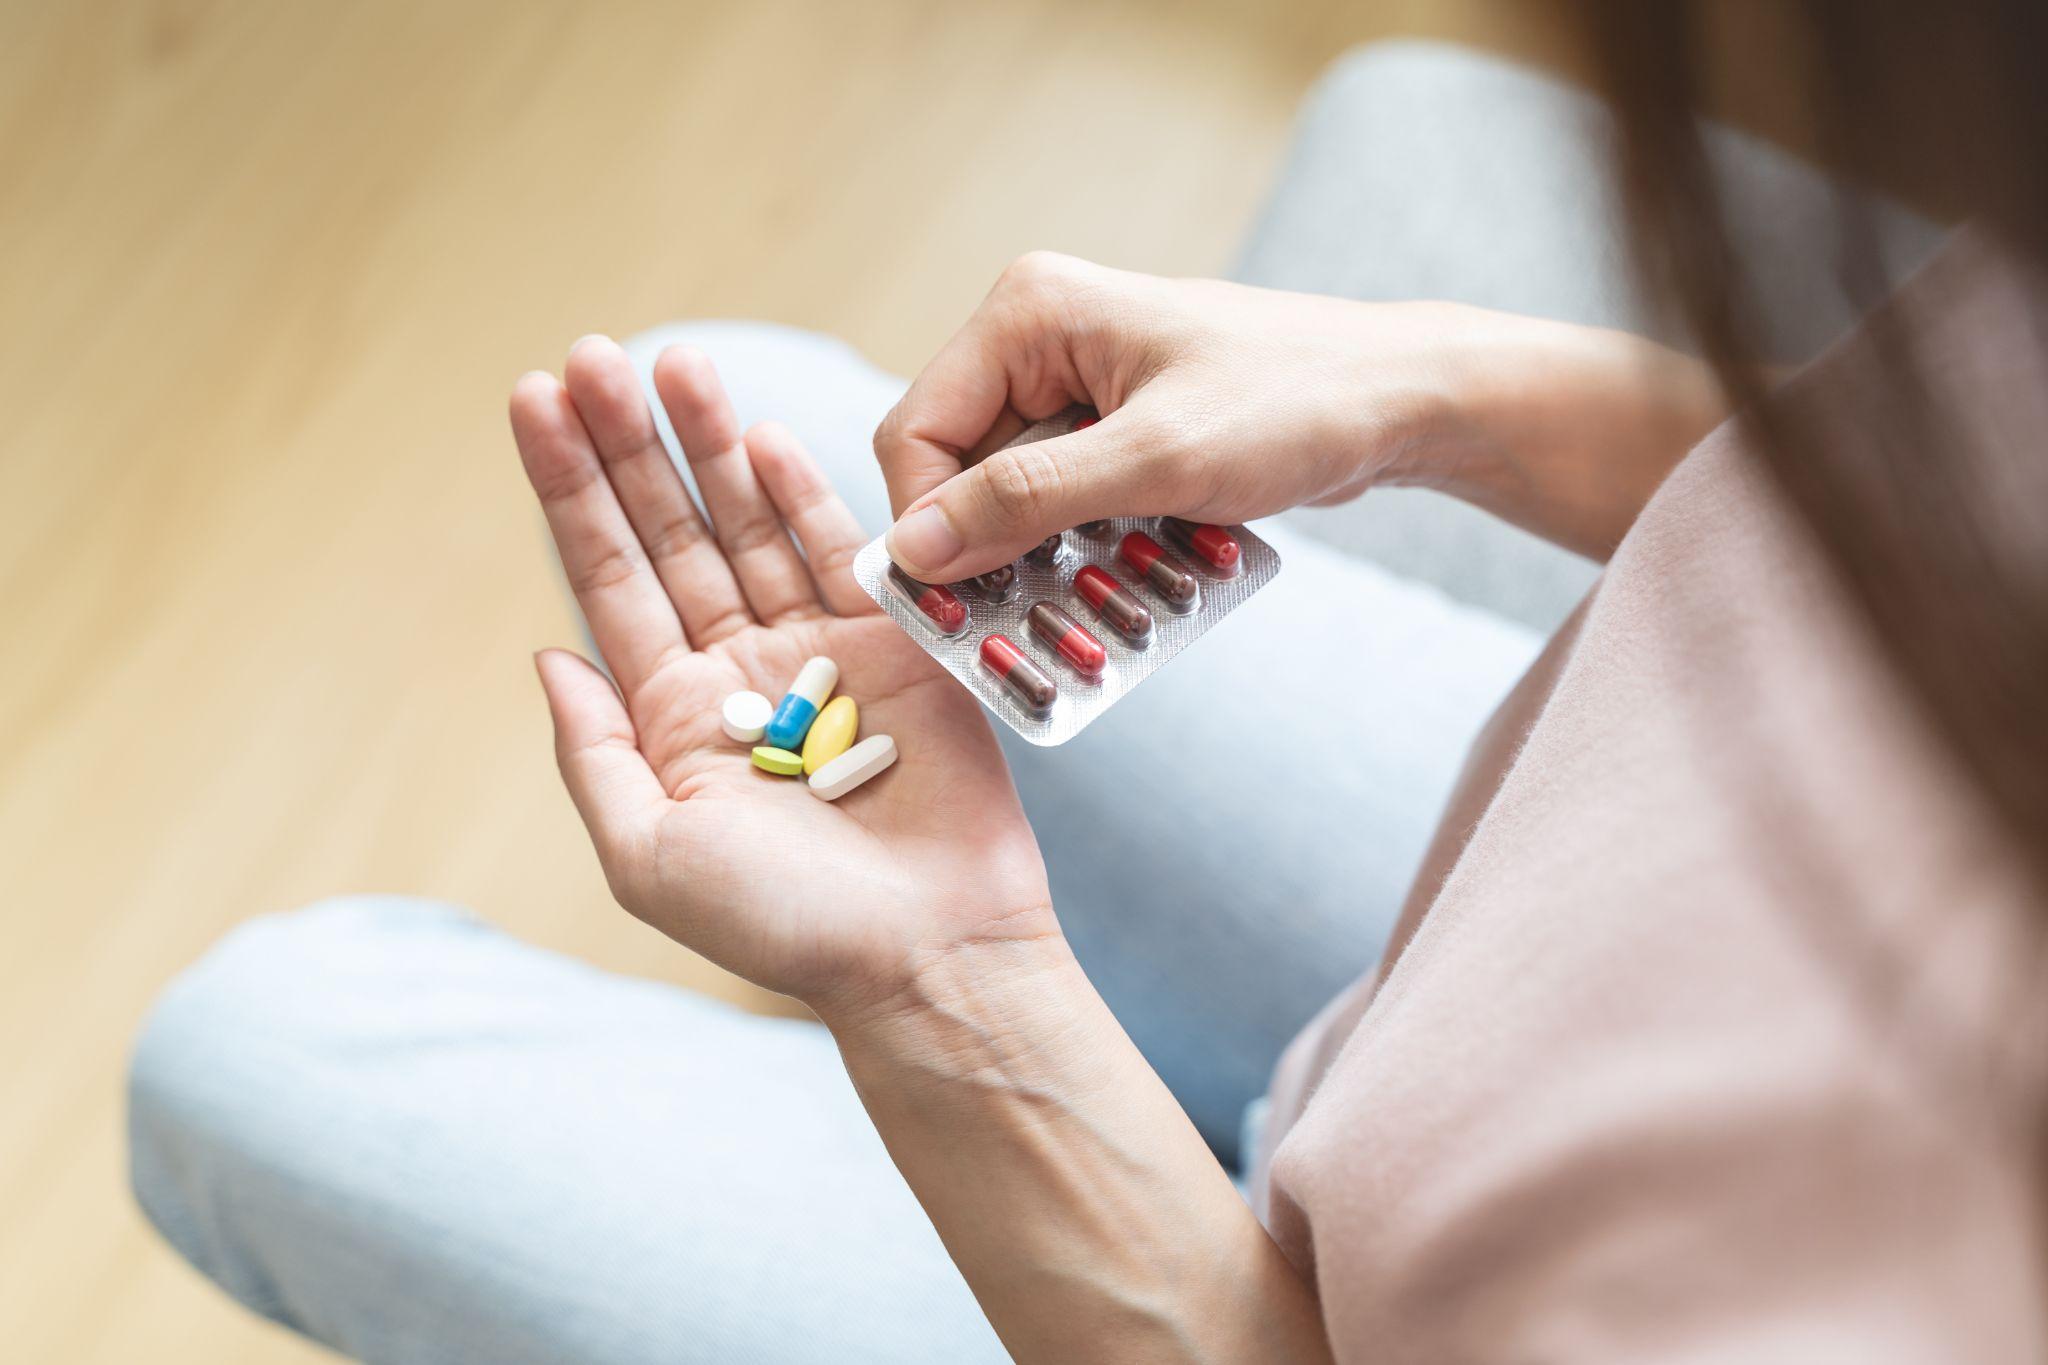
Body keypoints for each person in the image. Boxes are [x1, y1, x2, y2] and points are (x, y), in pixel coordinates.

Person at [130, 6, 2046, 1362]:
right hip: (1536, 898)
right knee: (730, 387)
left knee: (252, 1048)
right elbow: (1935, 495)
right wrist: (1415, 391)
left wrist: (949, 988)